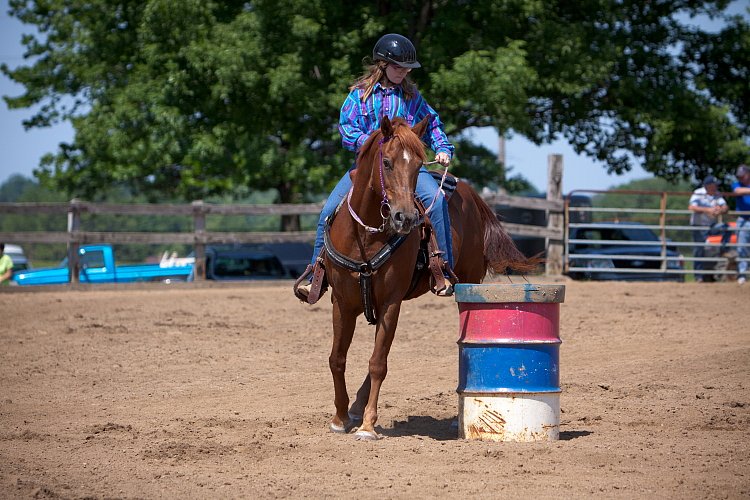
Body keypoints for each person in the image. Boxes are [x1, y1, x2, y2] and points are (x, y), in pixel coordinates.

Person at [299, 33, 455, 299]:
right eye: (398, 67)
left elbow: (432, 123)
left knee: (438, 202)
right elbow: (347, 131)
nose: (403, 72)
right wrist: (374, 144)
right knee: (327, 211)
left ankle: (442, 268)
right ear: (382, 64)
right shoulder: (358, 97)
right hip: (368, 168)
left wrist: (442, 148)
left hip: (404, 168)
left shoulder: (412, 97)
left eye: (407, 68)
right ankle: (317, 273)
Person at [688, 176, 728, 282]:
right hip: (699, 226)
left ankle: (724, 251)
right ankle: (699, 276)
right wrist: (708, 210)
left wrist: (720, 210)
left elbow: (725, 207)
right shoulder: (698, 193)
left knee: (726, 228)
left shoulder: (717, 194)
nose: (716, 187)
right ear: (708, 185)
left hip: (712, 225)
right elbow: (692, 207)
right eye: (714, 185)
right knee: (699, 250)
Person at [731, 164, 750, 285]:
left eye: (742, 176)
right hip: (743, 218)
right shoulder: (737, 184)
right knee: (741, 247)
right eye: (739, 177)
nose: (740, 179)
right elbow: (737, 191)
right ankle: (742, 274)